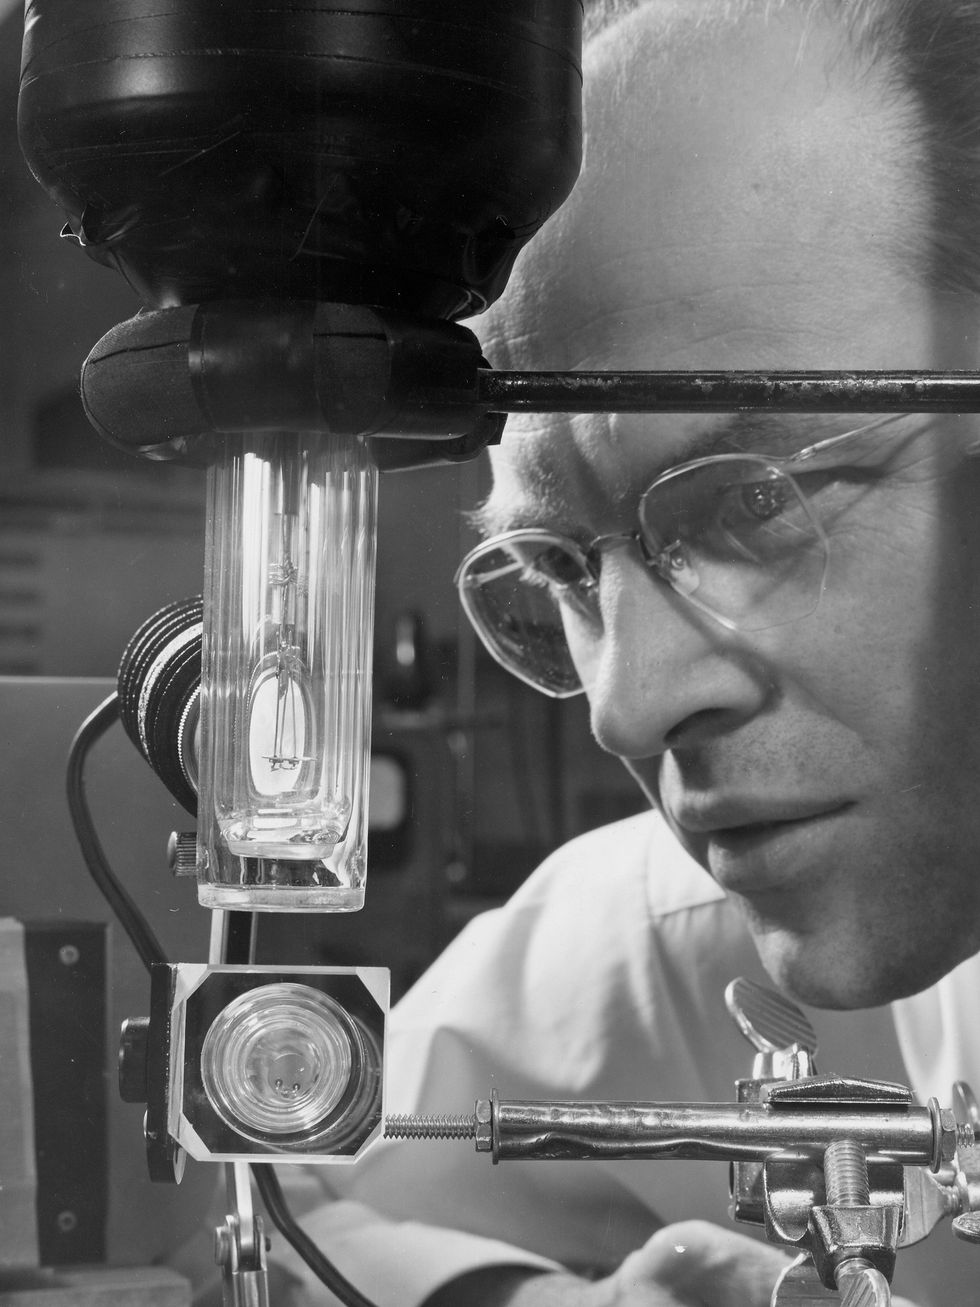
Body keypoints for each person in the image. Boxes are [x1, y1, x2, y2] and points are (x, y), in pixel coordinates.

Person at [180, 1, 980, 1303]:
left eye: (751, 503)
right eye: (558, 569)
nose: (625, 702)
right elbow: (271, 1203)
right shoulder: (684, 927)